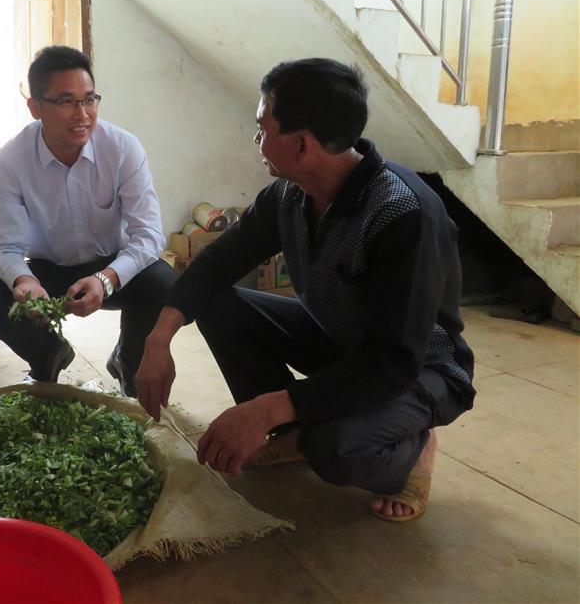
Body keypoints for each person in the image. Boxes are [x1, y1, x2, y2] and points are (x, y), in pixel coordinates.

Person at [135, 58, 475, 521]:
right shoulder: (290, 194)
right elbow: (217, 263)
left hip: (417, 367)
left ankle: (411, 449)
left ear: (302, 144)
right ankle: (295, 429)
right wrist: (159, 338)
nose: (256, 140)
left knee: (334, 448)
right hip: (340, 341)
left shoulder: (402, 214)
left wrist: (267, 408)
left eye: (262, 128)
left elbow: (391, 361)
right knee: (216, 302)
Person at [0, 45, 175, 397]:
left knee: (165, 285)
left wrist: (106, 279)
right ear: (35, 108)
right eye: (66, 102)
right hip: (47, 271)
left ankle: (128, 361)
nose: (82, 115)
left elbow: (148, 236)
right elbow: (7, 247)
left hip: (111, 267)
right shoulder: (10, 162)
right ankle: (48, 354)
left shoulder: (123, 149)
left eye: (89, 99)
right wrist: (24, 280)